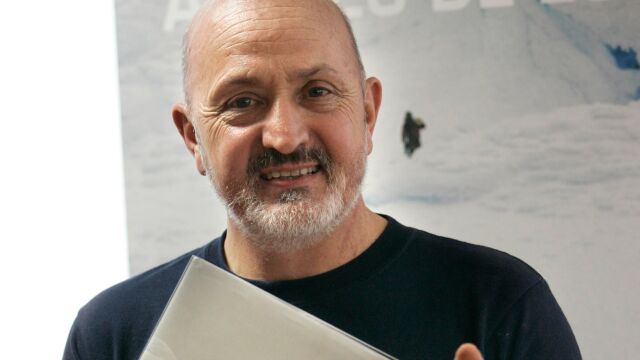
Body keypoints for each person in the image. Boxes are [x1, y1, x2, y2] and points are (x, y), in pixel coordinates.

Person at [63, 1, 581, 359]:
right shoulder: (115, 336)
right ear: (193, 137)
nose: (285, 137)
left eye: (317, 92)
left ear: (369, 113)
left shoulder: (499, 304)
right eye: (243, 101)